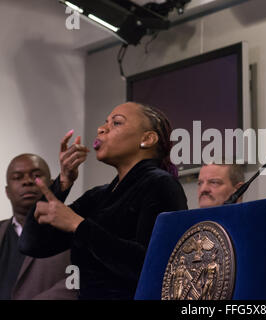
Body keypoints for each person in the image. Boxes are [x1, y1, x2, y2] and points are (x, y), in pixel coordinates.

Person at [19, 102, 188, 300]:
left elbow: (153, 266)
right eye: (104, 122)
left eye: (116, 123)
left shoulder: (160, 184)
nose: (101, 128)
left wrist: (78, 225)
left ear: (147, 139)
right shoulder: (97, 197)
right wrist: (62, 183)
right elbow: (32, 244)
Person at [1, 153, 77, 300]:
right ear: (7, 192)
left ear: (51, 183)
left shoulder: (73, 228)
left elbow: (79, 280)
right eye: (17, 177)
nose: (27, 182)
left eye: (36, 175)